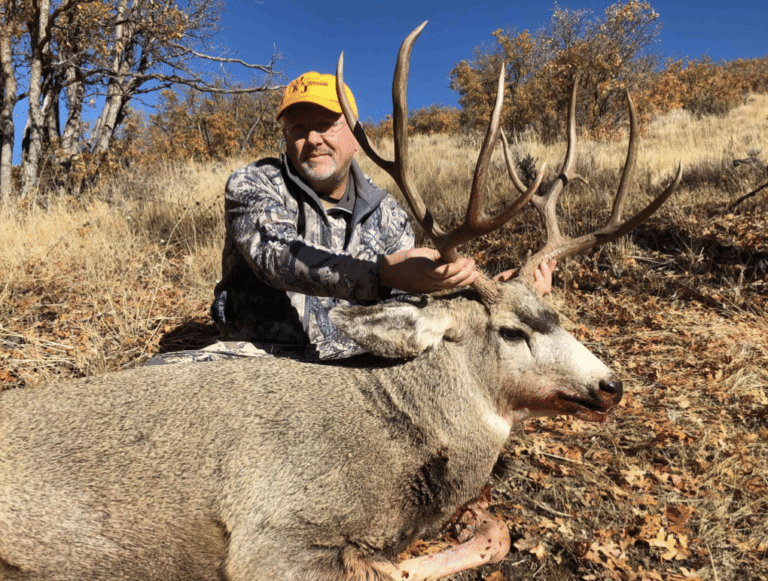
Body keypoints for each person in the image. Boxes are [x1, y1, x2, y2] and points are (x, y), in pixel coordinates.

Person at [208, 71, 554, 360]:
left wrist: (491, 292)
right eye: (298, 128)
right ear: (286, 137)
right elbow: (276, 257)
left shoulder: (387, 213)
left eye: (326, 124)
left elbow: (410, 299)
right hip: (260, 356)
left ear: (356, 136)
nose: (312, 139)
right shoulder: (253, 183)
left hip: (356, 363)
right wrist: (382, 273)